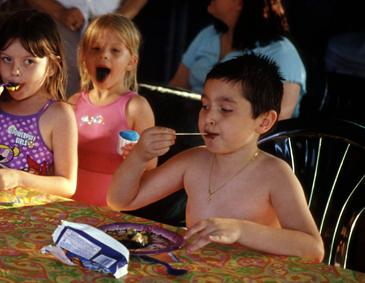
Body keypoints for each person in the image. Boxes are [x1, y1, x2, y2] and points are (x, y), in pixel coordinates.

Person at [108, 53, 324, 262]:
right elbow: (121, 200)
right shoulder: (192, 161)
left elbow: (312, 248)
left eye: (226, 109)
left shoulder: (275, 174)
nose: (209, 117)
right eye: (205, 106)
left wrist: (241, 230)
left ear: (264, 121)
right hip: (198, 277)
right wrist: (139, 156)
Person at [0, 10, 78, 198]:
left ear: (51, 67)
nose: (15, 71)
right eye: (7, 59)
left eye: (28, 62)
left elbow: (67, 185)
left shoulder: (58, 113)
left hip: (25, 218)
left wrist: (19, 179)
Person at [168, 0, 306, 120]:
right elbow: (175, 88)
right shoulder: (208, 34)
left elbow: (277, 123)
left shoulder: (281, 53)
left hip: (242, 141)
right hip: (189, 128)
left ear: (241, 2)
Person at [9, 0, 165, 96]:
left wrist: (114, 24)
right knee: (60, 95)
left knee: (113, 99)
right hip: (62, 25)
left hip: (114, 25)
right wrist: (58, 11)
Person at [68, 14, 157, 207]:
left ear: (131, 62)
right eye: (96, 48)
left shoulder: (136, 107)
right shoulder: (74, 103)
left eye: (115, 50)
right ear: (84, 57)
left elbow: (152, 164)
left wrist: (138, 155)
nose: (104, 55)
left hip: (110, 211)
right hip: (68, 207)